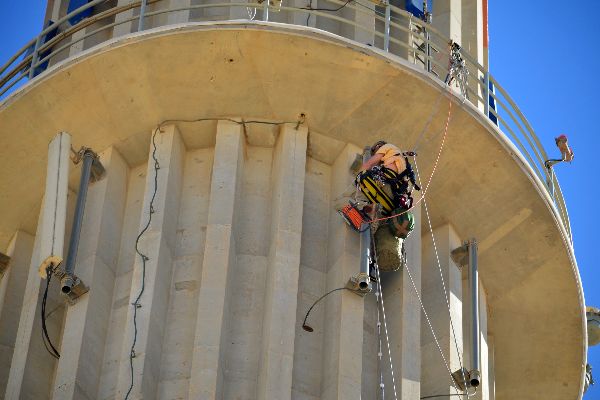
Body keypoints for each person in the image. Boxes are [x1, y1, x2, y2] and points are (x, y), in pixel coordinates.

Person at [355, 140, 419, 216]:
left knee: (362, 178)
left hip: (385, 183)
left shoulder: (386, 147)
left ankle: (362, 207)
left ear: (378, 146)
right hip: (395, 196)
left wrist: (357, 179)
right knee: (373, 192)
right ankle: (372, 210)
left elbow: (369, 164)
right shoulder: (401, 159)